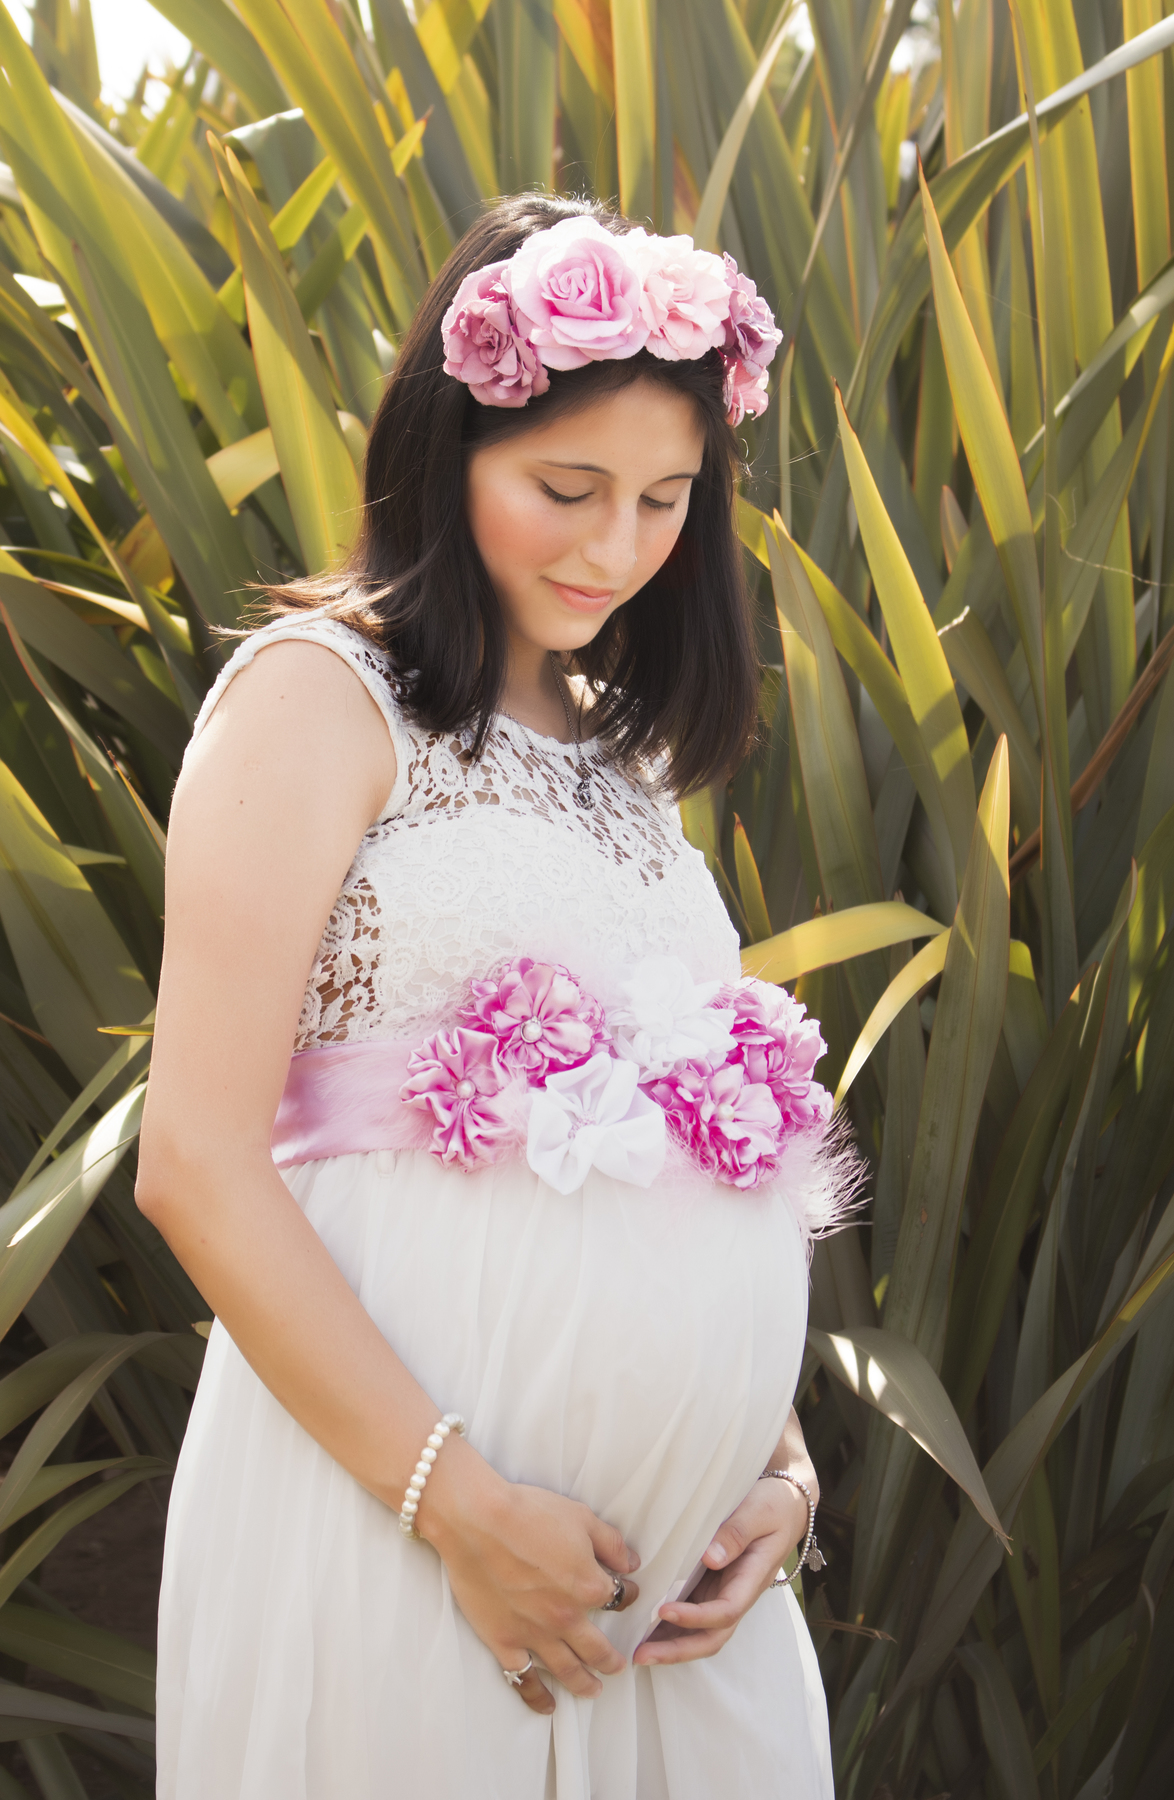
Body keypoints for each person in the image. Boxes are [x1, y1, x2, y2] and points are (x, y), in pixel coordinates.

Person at [138, 191, 850, 1799]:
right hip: (414, 1549)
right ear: (443, 456)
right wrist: (458, 1508)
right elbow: (191, 1159)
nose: (618, 547)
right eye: (566, 487)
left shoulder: (629, 763)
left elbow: (690, 1162)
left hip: (682, 1605)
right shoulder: (320, 702)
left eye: (667, 500)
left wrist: (780, 1468)